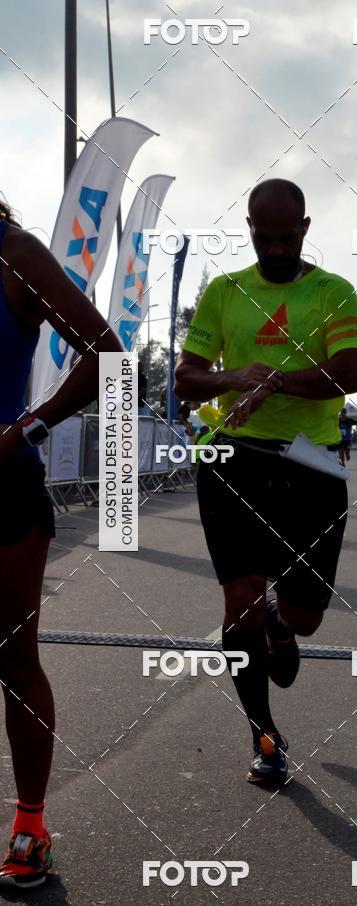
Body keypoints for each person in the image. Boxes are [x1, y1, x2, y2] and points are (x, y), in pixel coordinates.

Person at [174, 178, 357, 785]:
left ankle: (283, 624)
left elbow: (353, 372)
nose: (277, 248)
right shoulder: (225, 291)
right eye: (266, 239)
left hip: (310, 464)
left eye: (287, 237)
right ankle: (264, 738)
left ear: (305, 229)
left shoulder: (332, 292)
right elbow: (187, 378)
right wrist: (234, 378)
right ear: (251, 233)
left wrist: (278, 383)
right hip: (233, 460)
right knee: (239, 607)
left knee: (305, 615)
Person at [0, 199, 120, 886]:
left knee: (14, 662)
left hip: (4, 489)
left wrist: (25, 430)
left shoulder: (15, 253)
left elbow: (109, 354)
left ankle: (31, 827)